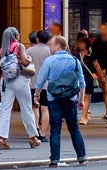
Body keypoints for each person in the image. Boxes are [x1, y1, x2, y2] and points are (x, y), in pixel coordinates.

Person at [37, 36, 87, 168]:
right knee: (74, 128)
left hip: (54, 98)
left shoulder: (49, 61)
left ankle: (55, 160)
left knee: (55, 130)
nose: (50, 48)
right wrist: (81, 100)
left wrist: (36, 95)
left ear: (58, 46)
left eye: (52, 45)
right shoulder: (75, 61)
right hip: (70, 98)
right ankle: (81, 157)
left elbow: (40, 80)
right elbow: (81, 82)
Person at [0, 26, 39, 148]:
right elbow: (24, 61)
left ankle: (2, 138)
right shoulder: (19, 46)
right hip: (19, 79)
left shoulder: (3, 49)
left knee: (5, 109)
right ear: (15, 36)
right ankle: (32, 137)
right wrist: (29, 58)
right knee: (26, 108)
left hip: (6, 80)